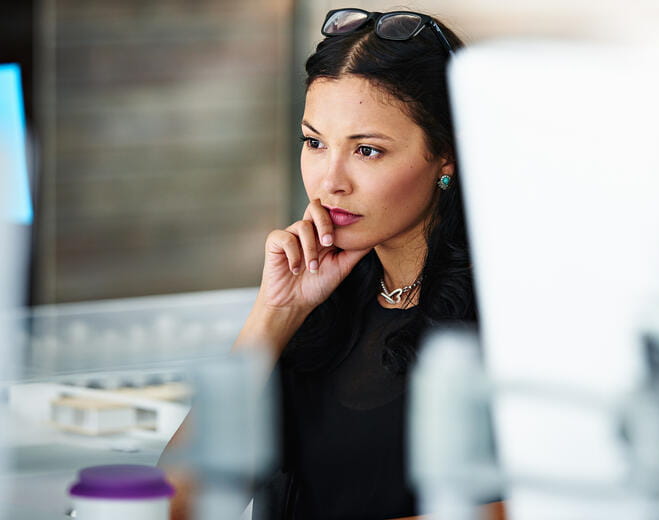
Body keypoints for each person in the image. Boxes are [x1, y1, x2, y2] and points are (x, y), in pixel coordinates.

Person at [160, 8, 504, 519]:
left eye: (367, 150)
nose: (329, 181)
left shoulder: (506, 319)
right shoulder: (319, 294)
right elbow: (176, 504)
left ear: (446, 155)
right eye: (314, 142)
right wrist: (275, 314)